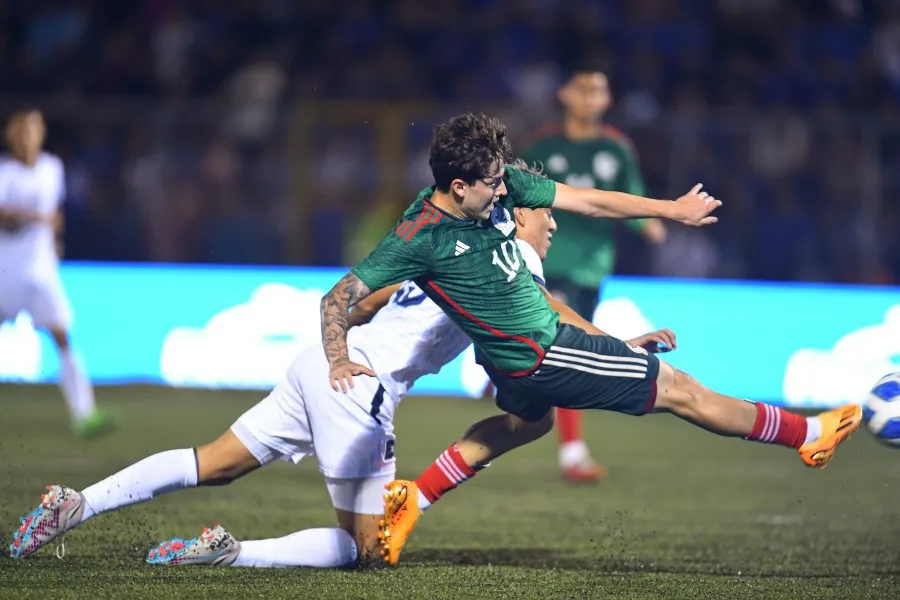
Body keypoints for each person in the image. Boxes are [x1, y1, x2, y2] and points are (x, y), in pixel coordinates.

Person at [9, 183, 669, 567]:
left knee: (214, 462)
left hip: (320, 370)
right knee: (369, 550)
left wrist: (337, 352)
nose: (546, 220)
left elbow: (366, 300)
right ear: (514, 219)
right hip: (362, 390)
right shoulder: (505, 264)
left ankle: (76, 504)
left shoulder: (441, 250)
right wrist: (619, 345)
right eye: (538, 211)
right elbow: (549, 318)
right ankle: (234, 552)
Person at [313, 112, 862, 567]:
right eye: (495, 185)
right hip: (542, 354)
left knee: (529, 423)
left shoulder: (496, 188)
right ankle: (807, 433)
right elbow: (337, 299)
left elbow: (592, 201)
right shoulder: (417, 237)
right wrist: (338, 359)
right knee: (682, 390)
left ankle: (416, 496)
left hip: (516, 355)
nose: (508, 191)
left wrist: (669, 209)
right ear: (458, 186)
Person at [518, 64, 667, 482]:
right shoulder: (541, 147)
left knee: (556, 352)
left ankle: (503, 372)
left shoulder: (617, 149)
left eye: (599, 91)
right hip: (546, 263)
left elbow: (628, 198)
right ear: (565, 94)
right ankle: (572, 452)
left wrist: (649, 222)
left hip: (592, 266)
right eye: (583, 89)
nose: (591, 98)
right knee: (567, 349)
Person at [0, 109, 112, 438]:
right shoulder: (5, 172)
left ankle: (85, 415)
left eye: (35, 129)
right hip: (8, 268)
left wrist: (55, 234)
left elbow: (56, 214)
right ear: (13, 136)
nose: (29, 136)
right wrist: (34, 218)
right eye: (23, 131)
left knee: (62, 336)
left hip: (41, 269)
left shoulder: (52, 168)